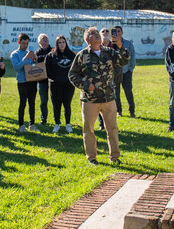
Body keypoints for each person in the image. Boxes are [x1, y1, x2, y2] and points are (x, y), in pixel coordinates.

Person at [68, 26, 130, 165]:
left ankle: (115, 157)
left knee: (112, 129)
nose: (97, 34)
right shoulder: (82, 55)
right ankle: (91, 157)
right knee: (89, 130)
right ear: (87, 39)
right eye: (92, 33)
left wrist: (120, 46)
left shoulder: (109, 52)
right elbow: (72, 74)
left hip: (108, 98)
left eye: (97, 33)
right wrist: (85, 84)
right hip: (90, 100)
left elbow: (124, 61)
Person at [46, 35, 76, 133]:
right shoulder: (51, 55)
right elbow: (47, 69)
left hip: (68, 85)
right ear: (56, 44)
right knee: (56, 105)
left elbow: (76, 69)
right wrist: (54, 79)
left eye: (63, 42)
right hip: (55, 85)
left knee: (67, 104)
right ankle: (57, 124)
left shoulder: (72, 55)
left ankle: (68, 124)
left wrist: (71, 79)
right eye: (59, 43)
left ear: (66, 43)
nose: (62, 44)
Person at [11, 33, 39, 132]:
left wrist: (35, 61)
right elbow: (17, 68)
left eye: (27, 43)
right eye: (23, 43)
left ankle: (32, 124)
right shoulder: (15, 54)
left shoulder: (29, 53)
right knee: (23, 103)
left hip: (32, 81)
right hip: (22, 82)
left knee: (32, 103)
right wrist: (26, 58)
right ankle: (21, 125)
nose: (25, 45)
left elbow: (34, 68)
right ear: (19, 42)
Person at [114, 25, 136, 118]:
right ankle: (118, 111)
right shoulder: (112, 44)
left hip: (126, 71)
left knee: (128, 92)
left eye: (119, 31)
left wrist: (131, 69)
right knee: (116, 93)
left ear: (122, 32)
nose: (117, 33)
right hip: (115, 73)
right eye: (115, 31)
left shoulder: (128, 43)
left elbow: (133, 55)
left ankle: (132, 111)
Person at [36, 34, 52, 125]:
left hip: (53, 79)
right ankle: (43, 119)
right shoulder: (37, 52)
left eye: (46, 38)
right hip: (42, 80)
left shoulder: (53, 50)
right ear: (39, 42)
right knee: (43, 101)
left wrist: (41, 59)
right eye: (43, 38)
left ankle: (57, 119)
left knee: (55, 101)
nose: (45, 40)